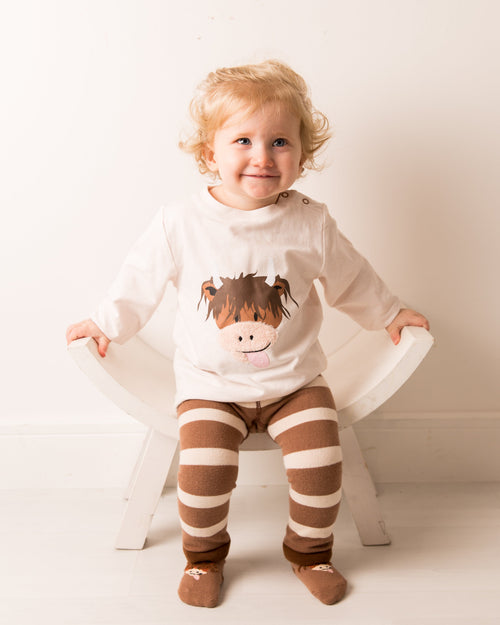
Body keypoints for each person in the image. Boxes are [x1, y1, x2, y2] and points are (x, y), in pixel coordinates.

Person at [66, 59, 429, 608]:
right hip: (210, 386)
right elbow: (138, 282)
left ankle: (310, 553)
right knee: (203, 476)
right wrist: (105, 323)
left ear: (302, 154)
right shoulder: (179, 223)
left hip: (295, 383)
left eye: (280, 142)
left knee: (320, 469)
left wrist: (390, 314)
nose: (263, 156)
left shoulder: (310, 221)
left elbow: (352, 279)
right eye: (243, 141)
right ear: (209, 153)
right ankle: (203, 558)